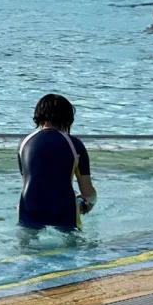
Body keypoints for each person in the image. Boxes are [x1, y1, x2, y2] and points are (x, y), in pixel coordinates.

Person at [18, 93, 96, 231]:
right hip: (63, 211)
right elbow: (87, 191)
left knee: (27, 248)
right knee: (71, 248)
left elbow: (28, 182)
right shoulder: (74, 144)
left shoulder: (24, 143)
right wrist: (89, 203)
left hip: (28, 208)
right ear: (68, 118)